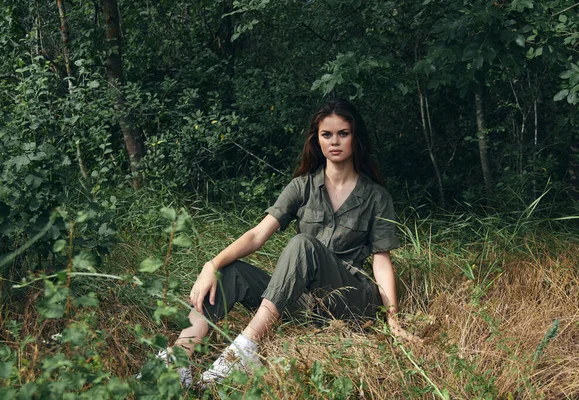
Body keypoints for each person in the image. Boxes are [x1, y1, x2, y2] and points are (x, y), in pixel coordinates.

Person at [157, 99, 420, 387]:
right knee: (229, 271)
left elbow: (382, 260)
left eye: (343, 133)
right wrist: (212, 264)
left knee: (303, 244)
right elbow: (257, 235)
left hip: (350, 301)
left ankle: (246, 349)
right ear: (316, 139)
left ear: (356, 139)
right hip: (302, 303)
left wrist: (392, 321)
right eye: (326, 134)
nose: (334, 141)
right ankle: (177, 362)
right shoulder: (302, 186)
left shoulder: (376, 196)